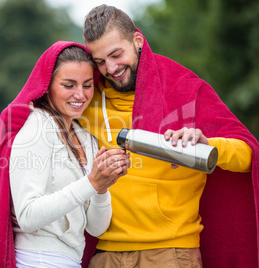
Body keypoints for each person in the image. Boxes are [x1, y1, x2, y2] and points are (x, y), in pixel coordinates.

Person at [78, 4, 259, 268]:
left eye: (116, 54)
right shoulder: (86, 98)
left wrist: (209, 144)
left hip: (172, 253)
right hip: (105, 255)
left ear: (137, 41)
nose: (111, 68)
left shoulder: (183, 86)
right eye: (100, 61)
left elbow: (248, 154)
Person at [0, 41, 130, 268]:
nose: (80, 95)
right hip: (36, 261)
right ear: (48, 85)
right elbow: (28, 216)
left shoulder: (85, 137)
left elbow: (96, 227)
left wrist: (102, 187)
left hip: (71, 261)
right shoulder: (37, 126)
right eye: (69, 85)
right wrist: (91, 182)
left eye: (87, 85)